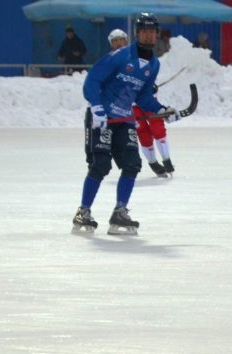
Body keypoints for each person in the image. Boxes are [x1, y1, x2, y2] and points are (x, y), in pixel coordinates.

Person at [72, 13, 182, 235]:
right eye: (144, 31)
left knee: (132, 164)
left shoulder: (154, 64)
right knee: (100, 166)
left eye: (152, 32)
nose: (149, 35)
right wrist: (96, 106)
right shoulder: (120, 56)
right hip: (102, 118)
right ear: (137, 33)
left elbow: (143, 97)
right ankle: (83, 211)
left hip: (124, 120)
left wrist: (161, 110)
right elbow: (93, 80)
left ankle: (120, 211)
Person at [108, 29, 175, 177]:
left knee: (157, 128)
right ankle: (153, 162)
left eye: (121, 40)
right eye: (115, 41)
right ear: (111, 44)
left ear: (127, 41)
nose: (119, 44)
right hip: (130, 105)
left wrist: (151, 85)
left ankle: (167, 159)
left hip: (148, 101)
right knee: (142, 133)